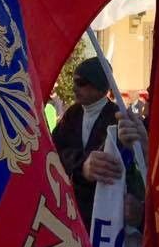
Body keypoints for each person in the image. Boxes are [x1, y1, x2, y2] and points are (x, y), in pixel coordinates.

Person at [51, 57, 121, 227]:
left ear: (98, 85)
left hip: (102, 213)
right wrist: (82, 164)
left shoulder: (117, 118)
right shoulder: (72, 114)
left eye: (81, 82)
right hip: (70, 208)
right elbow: (53, 150)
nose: (74, 88)